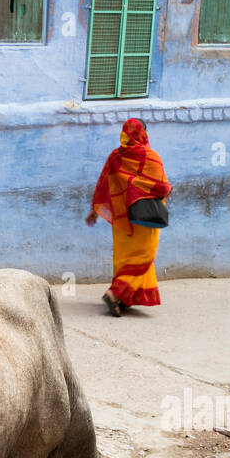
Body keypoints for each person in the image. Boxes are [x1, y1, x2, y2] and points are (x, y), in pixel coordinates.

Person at [85, 118, 171, 316]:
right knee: (145, 255)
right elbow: (161, 187)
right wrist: (166, 189)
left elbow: (104, 184)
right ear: (144, 134)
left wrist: (94, 211)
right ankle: (115, 294)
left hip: (122, 218)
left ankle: (124, 299)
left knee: (124, 258)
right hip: (145, 218)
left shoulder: (115, 157)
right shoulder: (151, 156)